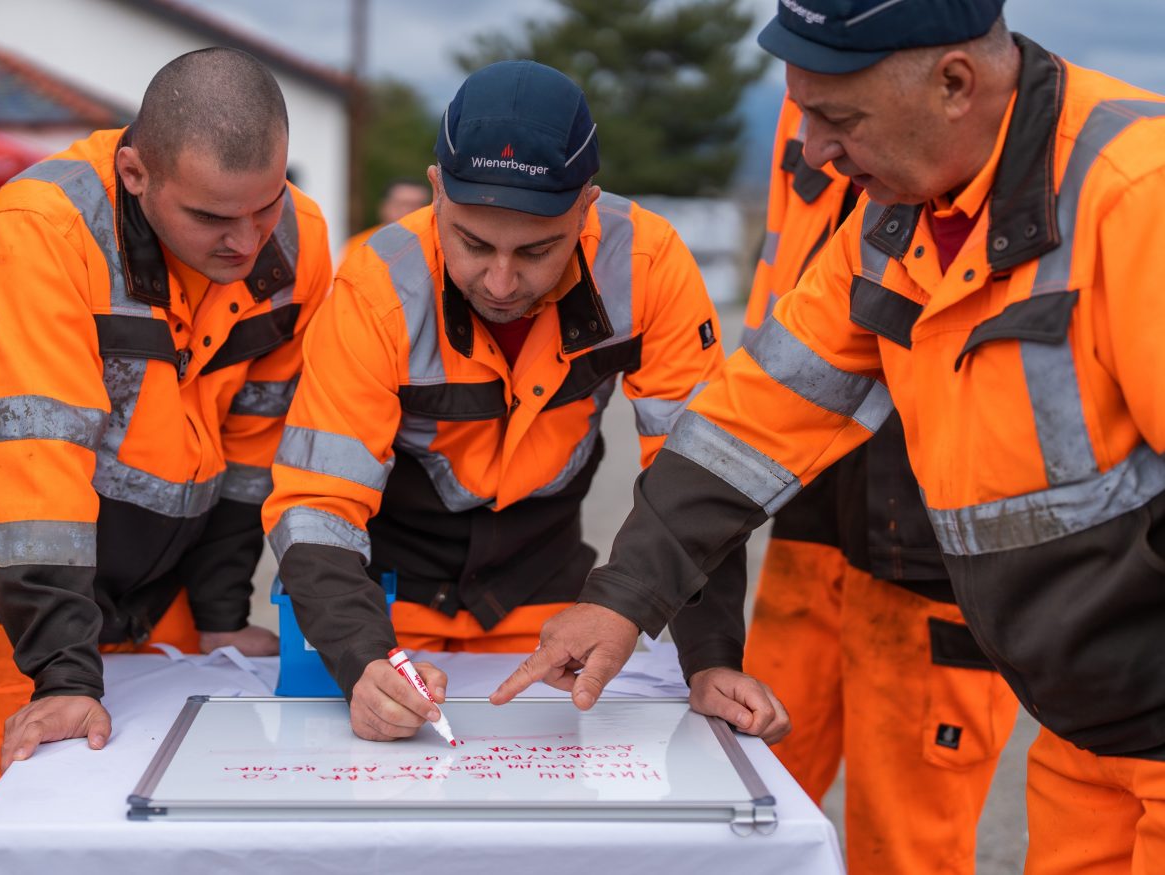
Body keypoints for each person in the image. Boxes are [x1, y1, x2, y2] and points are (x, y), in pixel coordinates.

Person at [496, 1, 1165, 870]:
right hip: (1087, 734)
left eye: (838, 119)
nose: (812, 152)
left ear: (955, 83)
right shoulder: (897, 219)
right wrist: (622, 596)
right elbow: (751, 422)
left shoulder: (1136, 197)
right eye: (801, 113)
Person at [263, 60, 788, 745]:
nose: (502, 281)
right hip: (391, 612)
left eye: (538, 249)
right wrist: (362, 657)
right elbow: (316, 503)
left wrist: (711, 658)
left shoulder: (647, 265)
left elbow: (697, 477)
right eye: (473, 243)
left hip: (556, 619)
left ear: (586, 208)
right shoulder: (375, 283)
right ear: (436, 193)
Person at [0, 47, 333, 828]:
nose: (246, 243)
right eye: (210, 217)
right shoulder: (38, 232)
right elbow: (33, 470)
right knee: (33, 817)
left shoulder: (299, 239)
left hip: (164, 586)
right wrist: (64, 677)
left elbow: (252, 448)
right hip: (18, 600)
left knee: (176, 820)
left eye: (265, 204)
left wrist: (218, 609)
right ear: (135, 174)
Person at [740, 95, 1018, 874]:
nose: (824, 145)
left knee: (906, 839)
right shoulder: (808, 120)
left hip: (932, 520)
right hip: (809, 488)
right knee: (756, 790)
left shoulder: (981, 127)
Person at [337, 176, 432, 263]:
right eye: (402, 204)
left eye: (418, 205)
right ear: (384, 207)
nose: (409, 211)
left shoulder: (437, 244)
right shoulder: (360, 245)